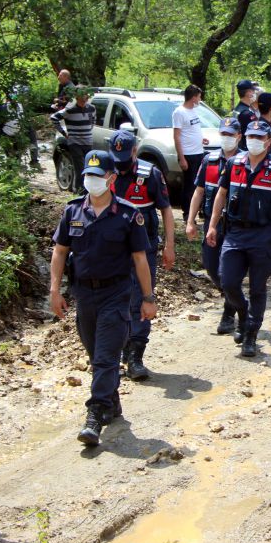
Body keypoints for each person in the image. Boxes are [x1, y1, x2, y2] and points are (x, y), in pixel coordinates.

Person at [50, 150, 156, 446]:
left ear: (111, 179)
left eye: (98, 176)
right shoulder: (73, 211)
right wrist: (54, 290)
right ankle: (112, 400)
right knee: (94, 353)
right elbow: (59, 252)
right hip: (84, 294)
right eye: (88, 176)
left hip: (116, 293)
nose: (92, 181)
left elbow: (140, 259)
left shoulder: (127, 214)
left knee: (107, 356)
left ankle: (95, 414)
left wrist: (148, 297)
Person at [206, 121, 271, 357]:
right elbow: (221, 194)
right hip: (235, 233)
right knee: (228, 281)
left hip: (262, 235)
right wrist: (212, 225)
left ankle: (251, 335)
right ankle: (242, 315)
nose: (254, 140)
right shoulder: (235, 163)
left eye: (259, 137)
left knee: (257, 287)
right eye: (251, 136)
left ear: (268, 141)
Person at [109, 130, 176, 381]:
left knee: (141, 299)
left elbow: (167, 211)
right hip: (113, 250)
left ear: (135, 151)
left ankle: (135, 355)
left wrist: (170, 245)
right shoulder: (106, 172)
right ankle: (116, 352)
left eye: (125, 157)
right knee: (114, 300)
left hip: (143, 248)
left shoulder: (151, 175)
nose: (121, 163)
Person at [186, 117, 242, 336]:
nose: (226, 138)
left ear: (239, 136)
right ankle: (234, 299)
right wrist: (190, 221)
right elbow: (199, 192)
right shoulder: (209, 161)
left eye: (231, 134)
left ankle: (229, 314)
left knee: (229, 272)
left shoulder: (245, 161)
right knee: (210, 265)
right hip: (212, 224)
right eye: (224, 134)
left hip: (237, 226)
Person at [173, 84, 208, 224]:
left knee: (200, 184)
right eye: (199, 96)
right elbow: (176, 136)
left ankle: (198, 211)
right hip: (188, 154)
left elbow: (192, 130)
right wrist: (182, 158)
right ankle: (188, 214)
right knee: (190, 186)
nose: (200, 99)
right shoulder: (179, 112)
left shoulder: (194, 111)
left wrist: (201, 139)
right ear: (193, 98)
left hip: (199, 152)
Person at [51, 85, 95, 193]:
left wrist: (89, 130)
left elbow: (93, 120)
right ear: (76, 96)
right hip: (74, 142)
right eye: (82, 94)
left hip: (87, 141)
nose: (85, 97)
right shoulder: (70, 110)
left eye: (86, 94)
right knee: (79, 167)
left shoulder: (91, 108)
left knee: (89, 166)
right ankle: (78, 191)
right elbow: (54, 118)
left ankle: (87, 190)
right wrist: (63, 132)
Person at [0, 89, 39, 169]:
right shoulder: (20, 105)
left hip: (6, 133)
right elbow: (24, 119)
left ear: (6, 98)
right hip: (18, 132)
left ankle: (10, 159)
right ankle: (33, 160)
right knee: (30, 135)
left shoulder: (2, 107)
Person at [233, 79, 258, 148]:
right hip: (246, 148)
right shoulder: (247, 113)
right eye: (253, 91)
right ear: (248, 93)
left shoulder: (238, 108)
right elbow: (253, 133)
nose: (254, 93)